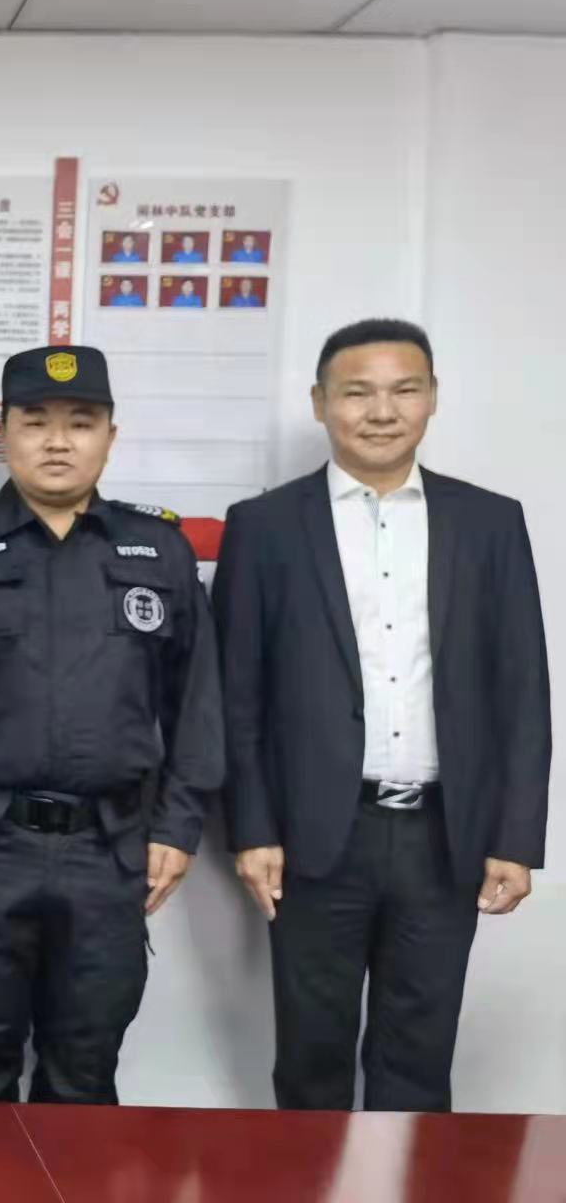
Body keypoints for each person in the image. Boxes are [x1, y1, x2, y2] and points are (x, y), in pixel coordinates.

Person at [214, 317, 550, 1112]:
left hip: (444, 836)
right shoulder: (263, 527)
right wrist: (251, 829)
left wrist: (514, 837)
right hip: (315, 836)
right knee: (311, 1057)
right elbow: (237, 693)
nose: (380, 411)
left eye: (404, 390)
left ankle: (408, 1179)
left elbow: (521, 688)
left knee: (418, 1061)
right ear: (319, 403)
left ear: (431, 398)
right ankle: (309, 1179)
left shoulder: (488, 522)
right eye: (356, 392)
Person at [0, 345, 222, 1104]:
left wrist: (178, 825)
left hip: (111, 848)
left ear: (110, 435)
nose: (58, 441)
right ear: (5, 433)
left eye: (81, 422)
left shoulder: (157, 552)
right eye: (35, 422)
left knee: (85, 1072)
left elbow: (197, 700)